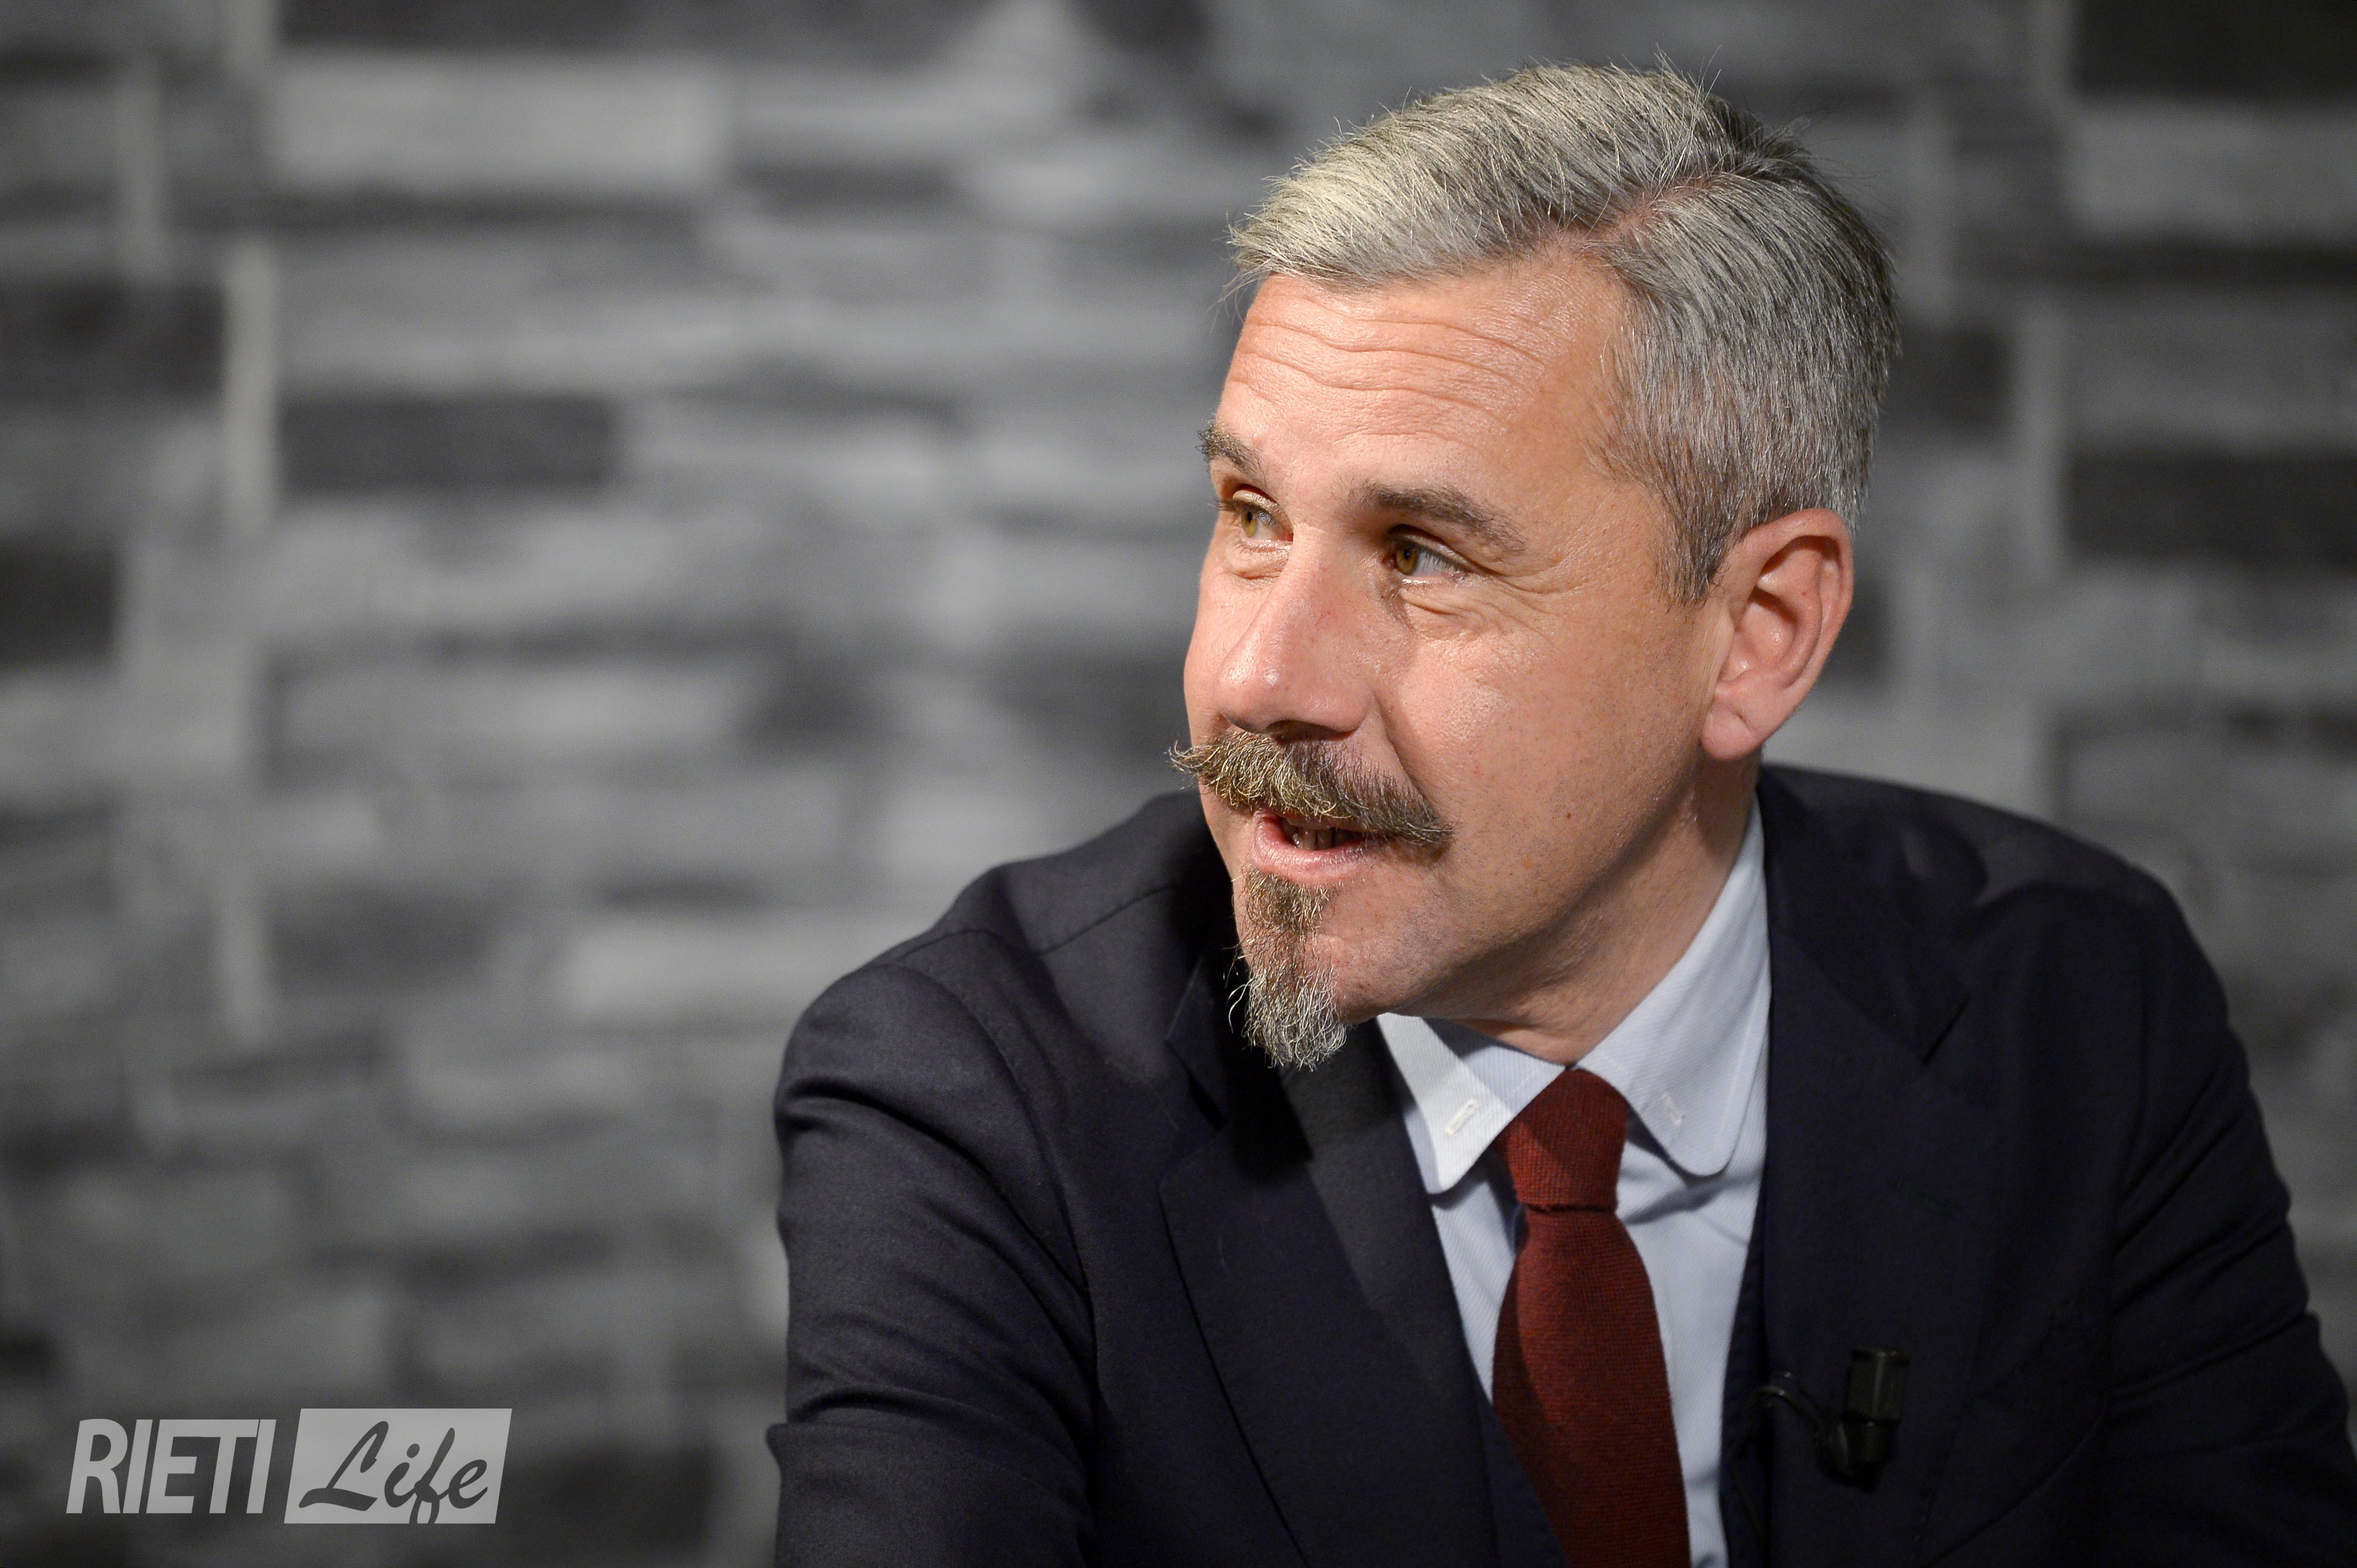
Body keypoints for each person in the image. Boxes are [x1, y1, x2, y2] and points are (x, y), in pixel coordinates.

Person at [768, 64, 2357, 1567]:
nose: (1255, 678)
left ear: (1758, 636)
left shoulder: (2079, 1004)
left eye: (1422, 555)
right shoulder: (970, 1091)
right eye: (1252, 517)